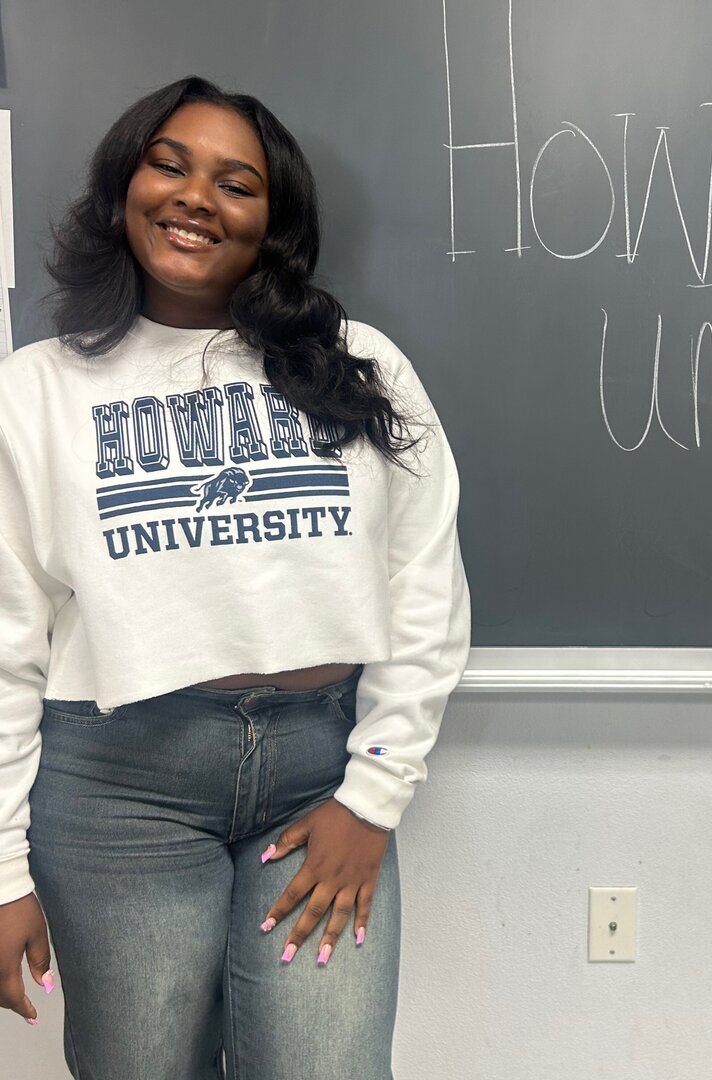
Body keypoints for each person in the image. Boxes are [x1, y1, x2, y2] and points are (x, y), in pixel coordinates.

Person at [0, 75, 470, 1078]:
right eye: (168, 165)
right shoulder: (35, 390)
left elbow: (424, 587)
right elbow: (5, 641)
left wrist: (372, 796)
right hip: (117, 789)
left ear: (274, 218)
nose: (195, 197)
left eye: (236, 183)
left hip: (317, 771)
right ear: (124, 187)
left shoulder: (360, 366)